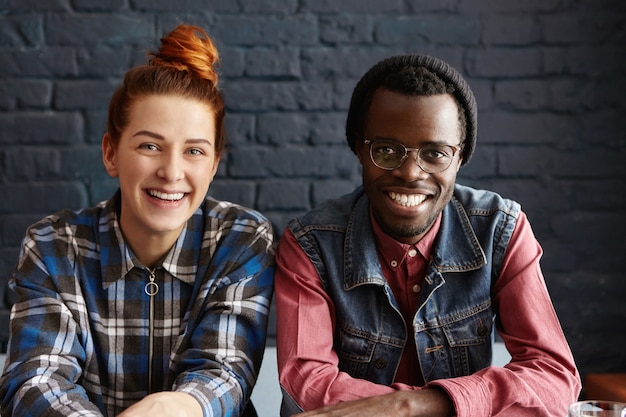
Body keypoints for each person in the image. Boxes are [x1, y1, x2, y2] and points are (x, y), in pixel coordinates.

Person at [274, 54, 581, 417]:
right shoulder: (311, 244)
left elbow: (555, 377)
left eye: (435, 153)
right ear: (359, 148)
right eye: (386, 150)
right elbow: (305, 386)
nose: (409, 173)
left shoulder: (500, 230)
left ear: (461, 156)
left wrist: (414, 405)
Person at [0, 24, 274, 417]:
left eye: (194, 151)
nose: (172, 171)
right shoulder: (52, 245)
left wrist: (174, 407)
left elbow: (224, 372)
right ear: (111, 153)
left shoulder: (241, 239)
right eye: (150, 146)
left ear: (214, 164)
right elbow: (37, 380)